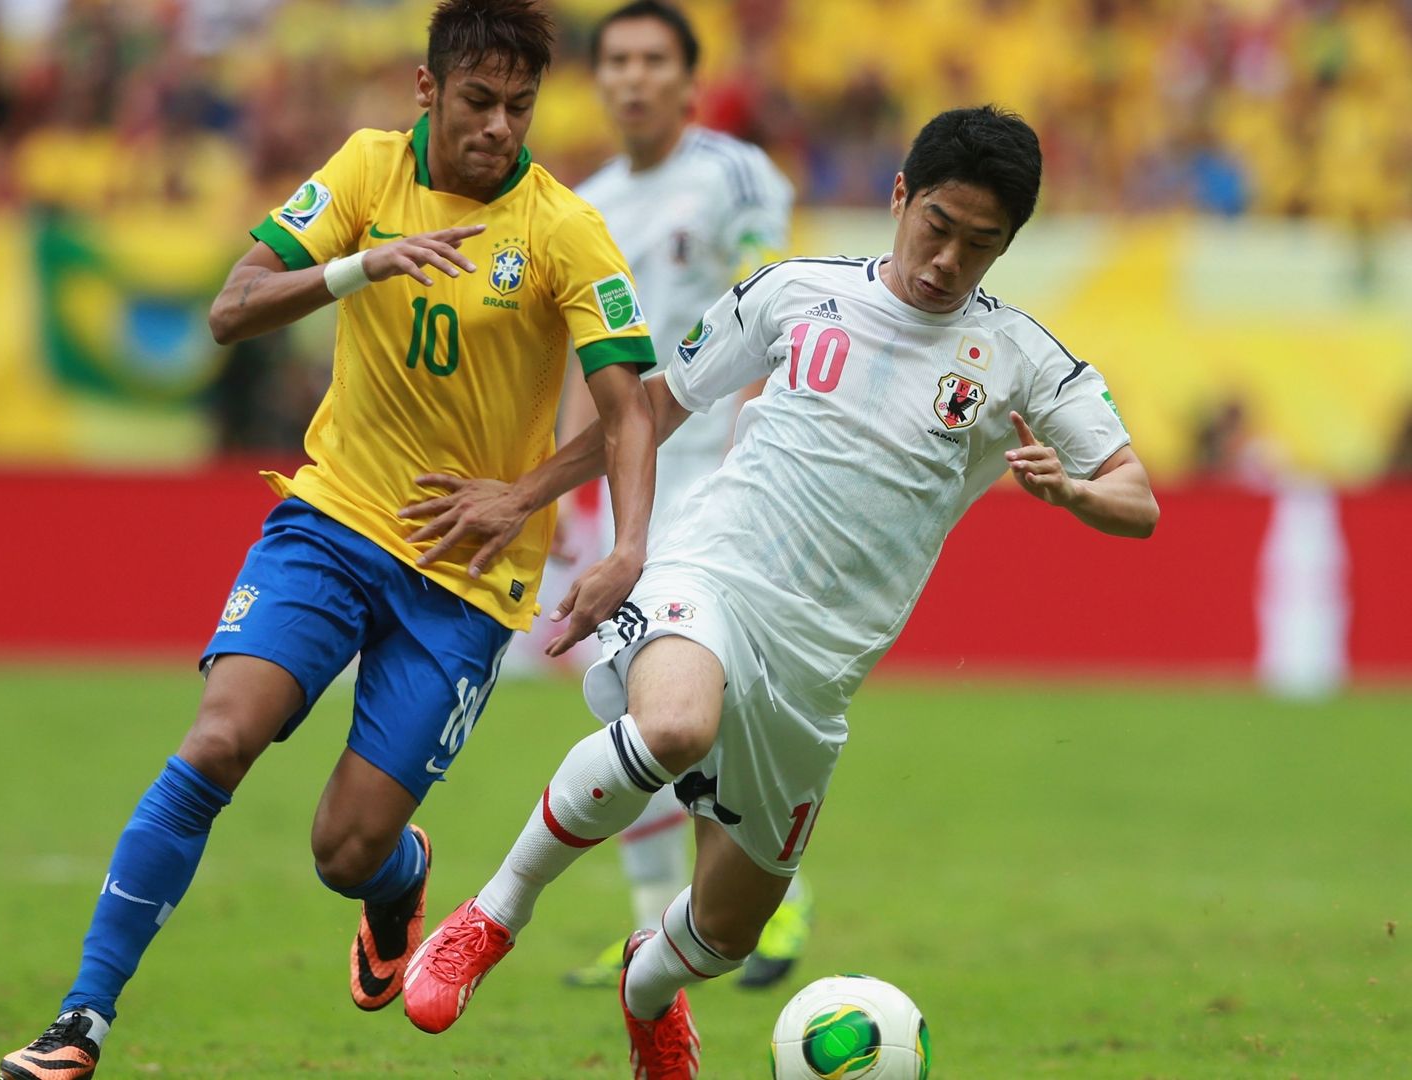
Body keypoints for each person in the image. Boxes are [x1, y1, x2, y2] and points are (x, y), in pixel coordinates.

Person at [397, 105, 1160, 1077]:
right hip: (715, 569)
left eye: (980, 244)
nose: (946, 261)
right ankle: (491, 916)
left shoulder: (1021, 359)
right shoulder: (796, 294)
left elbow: (1138, 501)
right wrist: (535, 498)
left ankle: (648, 989)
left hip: (818, 674)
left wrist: (1076, 491)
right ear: (899, 198)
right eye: (936, 227)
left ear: (1008, 244)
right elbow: (654, 408)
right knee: (672, 726)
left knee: (726, 932)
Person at [0, 2, 660, 1077]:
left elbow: (632, 409)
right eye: (480, 101)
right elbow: (233, 307)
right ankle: (81, 1021)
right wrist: (363, 265)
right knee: (218, 739)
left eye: (521, 107)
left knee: (342, 848)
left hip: (465, 579)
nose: (500, 126)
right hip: (334, 521)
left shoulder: (562, 230)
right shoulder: (363, 172)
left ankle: (395, 880)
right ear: (427, 91)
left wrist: (585, 527)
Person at [552, 0, 810, 992]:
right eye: (616, 59)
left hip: (715, 475)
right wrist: (570, 486)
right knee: (624, 696)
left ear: (689, 80)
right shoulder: (587, 203)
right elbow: (590, 356)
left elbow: (770, 312)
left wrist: (755, 450)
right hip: (624, 486)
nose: (633, 76)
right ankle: (648, 921)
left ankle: (775, 897)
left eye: (654, 59)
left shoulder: (738, 175)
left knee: (711, 703)